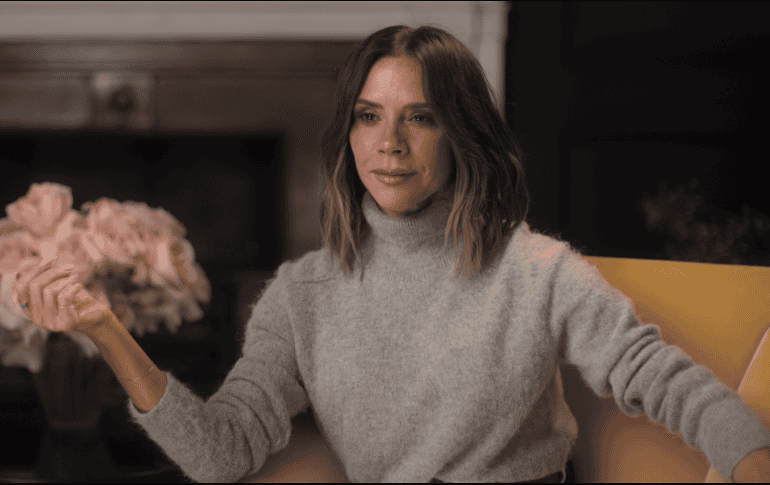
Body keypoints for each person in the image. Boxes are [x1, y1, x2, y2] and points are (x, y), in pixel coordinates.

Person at [13, 24, 770, 484]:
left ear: (463, 135)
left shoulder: (538, 272)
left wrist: (750, 456)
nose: (389, 144)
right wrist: (108, 331)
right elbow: (221, 453)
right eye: (369, 116)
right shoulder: (301, 295)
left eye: (421, 118)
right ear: (348, 134)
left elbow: (657, 375)